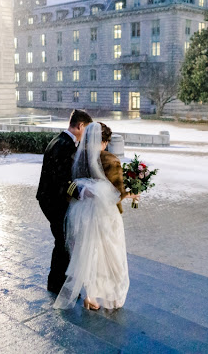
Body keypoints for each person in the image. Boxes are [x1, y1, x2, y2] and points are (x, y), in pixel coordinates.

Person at [53, 122, 137, 310]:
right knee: (111, 255)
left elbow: (67, 185)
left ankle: (90, 296)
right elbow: (117, 193)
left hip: (80, 212)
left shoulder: (76, 157)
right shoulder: (110, 160)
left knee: (87, 255)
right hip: (104, 215)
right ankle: (113, 297)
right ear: (104, 141)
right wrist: (133, 193)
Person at [37, 109, 93, 294]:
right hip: (54, 200)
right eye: (87, 129)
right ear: (81, 126)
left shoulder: (60, 140)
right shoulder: (65, 145)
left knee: (62, 241)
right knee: (63, 242)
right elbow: (62, 180)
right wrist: (82, 192)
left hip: (49, 198)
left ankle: (56, 283)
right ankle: (57, 285)